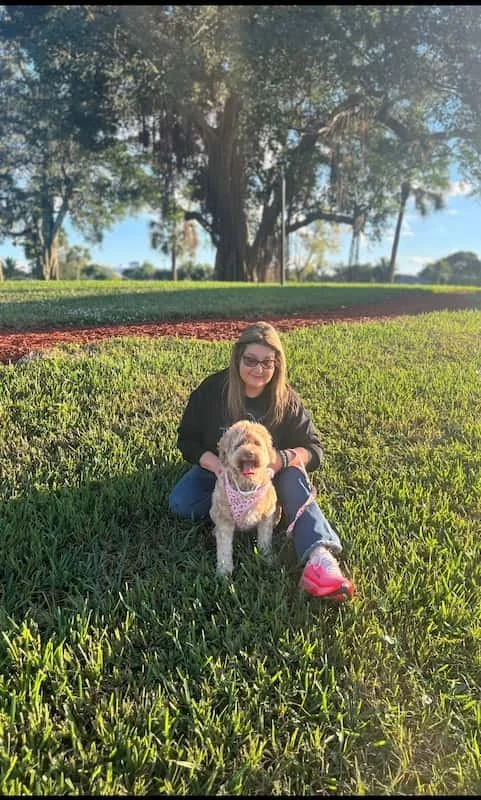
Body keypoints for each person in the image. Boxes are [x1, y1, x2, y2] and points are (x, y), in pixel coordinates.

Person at [168, 321, 354, 601]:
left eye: (268, 362)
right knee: (180, 502)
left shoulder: (286, 399)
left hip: (271, 474)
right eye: (251, 360)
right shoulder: (212, 390)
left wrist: (279, 460)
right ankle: (235, 517)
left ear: (277, 364)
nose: (259, 369)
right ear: (237, 357)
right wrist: (217, 466)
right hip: (222, 470)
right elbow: (187, 440)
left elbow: (313, 449)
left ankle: (320, 555)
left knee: (294, 478)